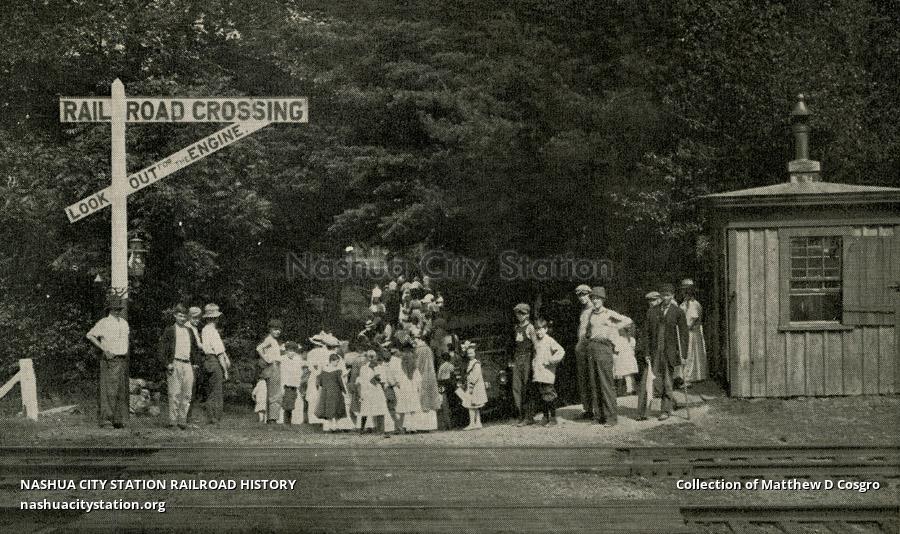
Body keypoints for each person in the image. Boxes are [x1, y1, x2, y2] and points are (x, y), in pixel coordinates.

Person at [576, 287, 632, 427]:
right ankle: (599, 416)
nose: (595, 301)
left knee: (606, 384)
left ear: (603, 300)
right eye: (593, 298)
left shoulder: (608, 313)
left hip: (604, 348)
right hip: (591, 348)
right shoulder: (590, 313)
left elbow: (628, 320)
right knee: (594, 383)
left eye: (598, 298)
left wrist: (613, 327)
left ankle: (611, 417)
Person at [86, 294, 130, 429]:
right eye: (114, 309)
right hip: (110, 359)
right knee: (109, 390)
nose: (117, 311)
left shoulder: (124, 323)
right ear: (110, 309)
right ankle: (106, 420)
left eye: (119, 309)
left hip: (122, 359)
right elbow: (90, 335)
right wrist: (104, 349)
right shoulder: (104, 322)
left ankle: (117, 419)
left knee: (121, 390)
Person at [158, 304, 202, 429]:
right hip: (175, 363)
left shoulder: (189, 331)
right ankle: (173, 421)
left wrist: (195, 363)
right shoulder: (170, 330)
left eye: (184, 316)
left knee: (187, 393)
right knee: (174, 393)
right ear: (175, 316)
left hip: (187, 364)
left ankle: (182, 420)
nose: (182, 319)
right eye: (180, 316)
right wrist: (167, 363)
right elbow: (161, 349)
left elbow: (194, 349)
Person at [651, 283, 689, 420]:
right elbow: (647, 333)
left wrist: (683, 354)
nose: (665, 298)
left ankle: (665, 410)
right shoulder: (653, 311)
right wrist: (647, 352)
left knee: (667, 381)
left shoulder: (678, 312)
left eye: (668, 295)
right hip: (656, 352)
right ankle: (671, 403)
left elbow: (684, 335)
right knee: (657, 381)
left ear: (672, 296)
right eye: (663, 295)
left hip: (669, 352)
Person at [532, 318, 565, 427]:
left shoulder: (549, 340)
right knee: (542, 396)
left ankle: (553, 418)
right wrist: (534, 365)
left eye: (541, 329)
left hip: (547, 373)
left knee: (549, 395)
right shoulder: (536, 341)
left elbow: (561, 351)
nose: (538, 332)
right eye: (537, 330)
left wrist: (551, 360)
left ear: (546, 329)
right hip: (538, 373)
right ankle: (545, 417)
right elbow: (536, 356)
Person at [388, 331, 422, 433]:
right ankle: (413, 427)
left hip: (403, 384)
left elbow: (397, 373)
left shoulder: (400, 360)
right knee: (412, 406)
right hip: (411, 383)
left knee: (404, 406)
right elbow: (416, 373)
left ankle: (406, 427)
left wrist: (396, 382)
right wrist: (418, 384)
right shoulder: (412, 359)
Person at [200, 304, 228, 425]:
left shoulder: (204, 330)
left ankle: (211, 416)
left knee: (210, 390)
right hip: (214, 361)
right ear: (216, 318)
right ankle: (216, 418)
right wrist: (225, 370)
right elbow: (220, 353)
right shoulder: (213, 331)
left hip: (207, 361)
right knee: (217, 391)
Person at [410, 325, 442, 432]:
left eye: (414, 338)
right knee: (430, 400)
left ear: (418, 338)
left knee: (421, 400)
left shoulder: (418, 350)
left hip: (421, 377)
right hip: (430, 376)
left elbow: (417, 365)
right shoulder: (428, 349)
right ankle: (430, 426)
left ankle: (422, 426)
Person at [637, 291, 662, 421]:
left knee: (662, 381)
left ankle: (670, 404)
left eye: (654, 300)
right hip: (653, 353)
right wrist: (646, 353)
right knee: (647, 382)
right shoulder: (650, 313)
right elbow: (646, 335)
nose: (652, 303)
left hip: (665, 353)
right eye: (650, 301)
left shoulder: (667, 312)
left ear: (659, 300)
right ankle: (643, 413)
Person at [511, 303, 537, 426]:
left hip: (527, 357)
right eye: (518, 313)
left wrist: (535, 360)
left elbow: (535, 345)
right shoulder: (516, 327)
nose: (520, 315)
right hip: (518, 358)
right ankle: (520, 415)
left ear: (527, 314)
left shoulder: (530, 328)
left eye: (522, 313)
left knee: (527, 387)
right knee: (516, 387)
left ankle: (529, 416)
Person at [680, 279, 708, 383]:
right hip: (687, 332)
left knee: (690, 353)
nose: (684, 292)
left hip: (691, 333)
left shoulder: (694, 304)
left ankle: (690, 377)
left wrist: (684, 328)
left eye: (686, 290)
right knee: (688, 353)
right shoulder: (684, 304)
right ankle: (687, 375)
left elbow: (692, 320)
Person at [255, 319, 284, 424]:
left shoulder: (272, 341)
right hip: (273, 366)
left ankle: (270, 417)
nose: (278, 332)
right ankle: (272, 418)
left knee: (271, 392)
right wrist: (266, 359)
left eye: (279, 330)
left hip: (273, 366)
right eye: (275, 329)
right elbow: (259, 348)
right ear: (270, 330)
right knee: (275, 392)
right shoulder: (270, 340)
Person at [357, 349, 390, 437]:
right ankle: (380, 430)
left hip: (367, 390)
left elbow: (361, 381)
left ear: (367, 357)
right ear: (375, 357)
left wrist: (361, 393)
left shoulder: (363, 368)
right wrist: (384, 388)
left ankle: (362, 429)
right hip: (375, 389)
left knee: (366, 409)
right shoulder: (379, 367)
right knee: (379, 409)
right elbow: (383, 381)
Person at [572, 284, 594, 420]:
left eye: (584, 295)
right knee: (583, 378)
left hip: (589, 346)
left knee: (592, 377)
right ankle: (587, 409)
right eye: (579, 295)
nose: (581, 298)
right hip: (581, 347)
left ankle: (596, 409)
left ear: (589, 295)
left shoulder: (594, 309)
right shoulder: (583, 310)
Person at [316, 353, 348, 432]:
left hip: (326, 392)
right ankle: (336, 426)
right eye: (336, 361)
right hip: (336, 391)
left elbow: (320, 382)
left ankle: (330, 426)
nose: (337, 363)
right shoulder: (337, 371)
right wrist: (344, 391)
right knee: (337, 408)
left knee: (329, 409)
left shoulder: (324, 370)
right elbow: (340, 382)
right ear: (332, 361)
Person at [305, 331, 331, 425]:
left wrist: (316, 372)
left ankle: (313, 418)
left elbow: (310, 367)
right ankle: (322, 419)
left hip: (314, 375)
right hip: (324, 375)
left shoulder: (311, 353)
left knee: (312, 397)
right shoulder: (327, 353)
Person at [459, 341, 487, 430]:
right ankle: (478, 422)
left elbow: (476, 375)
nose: (470, 355)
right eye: (468, 353)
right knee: (475, 406)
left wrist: (471, 384)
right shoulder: (470, 362)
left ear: (475, 353)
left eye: (471, 353)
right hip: (472, 385)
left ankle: (472, 423)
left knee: (471, 406)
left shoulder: (476, 363)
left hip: (474, 386)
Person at [280, 341, 306, 425]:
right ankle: (285, 421)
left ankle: (292, 421)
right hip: (285, 384)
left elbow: (301, 370)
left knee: (295, 404)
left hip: (295, 385)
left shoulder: (297, 359)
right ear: (286, 350)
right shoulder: (282, 359)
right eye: (290, 350)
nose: (292, 353)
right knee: (285, 404)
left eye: (293, 351)